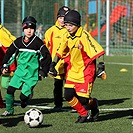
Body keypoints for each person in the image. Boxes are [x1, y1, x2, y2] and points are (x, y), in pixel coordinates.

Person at [48, 10, 106, 123]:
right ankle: (83, 114)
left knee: (84, 100)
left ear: (77, 25)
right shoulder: (66, 35)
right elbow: (60, 52)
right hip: (74, 70)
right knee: (68, 95)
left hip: (86, 71)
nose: (68, 28)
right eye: (66, 25)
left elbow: (98, 51)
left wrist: (101, 66)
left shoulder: (84, 36)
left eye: (71, 25)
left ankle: (93, 104)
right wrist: (53, 64)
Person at [1, 16, 52, 116]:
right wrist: (4, 65)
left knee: (22, 97)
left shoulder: (38, 43)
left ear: (34, 29)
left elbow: (46, 57)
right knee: (10, 90)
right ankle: (9, 110)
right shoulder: (18, 42)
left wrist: (42, 71)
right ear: (23, 29)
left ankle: (25, 99)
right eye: (26, 28)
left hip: (31, 75)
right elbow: (10, 54)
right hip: (19, 72)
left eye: (32, 28)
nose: (29, 31)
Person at [44, 6, 70, 111]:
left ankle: (75, 103)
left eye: (65, 17)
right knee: (58, 85)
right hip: (56, 64)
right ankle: (58, 104)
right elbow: (45, 46)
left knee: (71, 86)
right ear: (57, 18)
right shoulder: (51, 31)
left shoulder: (71, 30)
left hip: (69, 63)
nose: (62, 20)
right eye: (60, 17)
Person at [0, 20, 17, 108]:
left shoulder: (2, 32)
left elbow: (13, 41)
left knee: (5, 84)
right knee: (4, 84)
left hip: (6, 62)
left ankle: (25, 89)